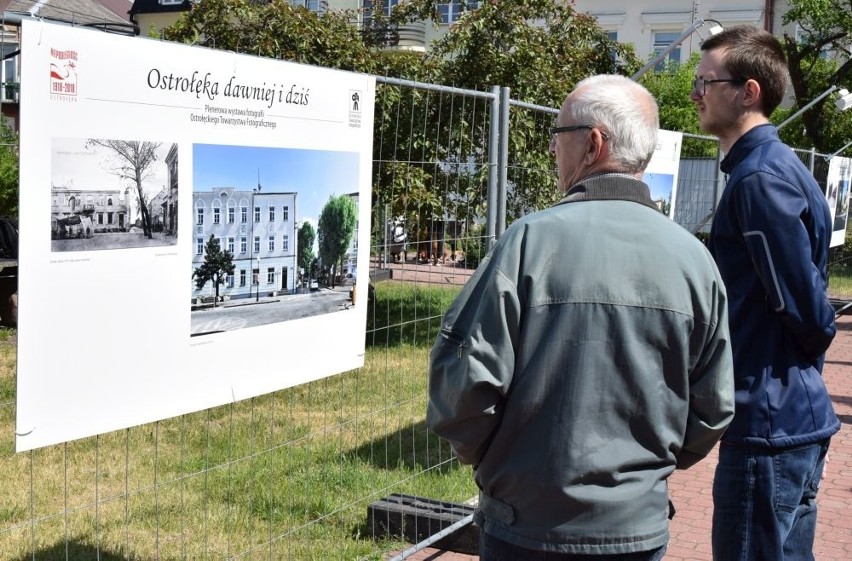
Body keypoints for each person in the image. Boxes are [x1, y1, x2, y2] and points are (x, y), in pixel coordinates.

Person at [427, 74, 735, 560]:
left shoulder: (527, 243)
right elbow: (714, 405)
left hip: (527, 527)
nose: (553, 150)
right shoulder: (694, 259)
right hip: (637, 529)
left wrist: (497, 465)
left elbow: (462, 387)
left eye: (558, 135)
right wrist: (643, 478)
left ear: (592, 143)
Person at [690, 25, 841, 560]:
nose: (695, 94)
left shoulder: (758, 179)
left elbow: (804, 306)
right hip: (786, 417)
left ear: (749, 91)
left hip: (769, 423)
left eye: (706, 81)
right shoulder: (776, 168)